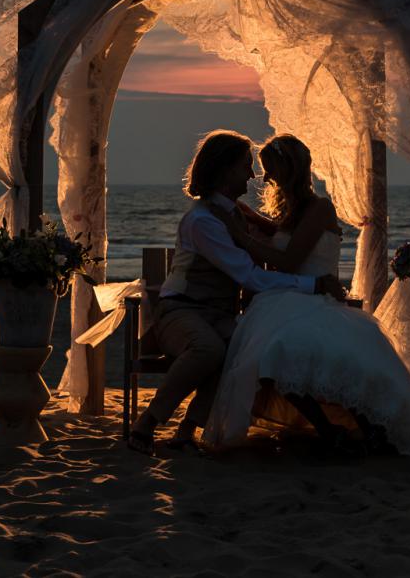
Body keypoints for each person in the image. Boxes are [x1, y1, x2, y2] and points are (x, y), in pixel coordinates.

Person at [201, 134, 410, 457]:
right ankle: (327, 428)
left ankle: (363, 425)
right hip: (290, 296)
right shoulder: (293, 210)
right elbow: (286, 236)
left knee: (286, 350)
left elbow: (289, 260)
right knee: (271, 354)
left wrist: (238, 235)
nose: (266, 178)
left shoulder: (320, 207)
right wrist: (253, 219)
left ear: (289, 170)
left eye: (271, 169)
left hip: (314, 298)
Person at [126, 130, 346, 456]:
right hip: (182, 311)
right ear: (225, 170)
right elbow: (249, 276)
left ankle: (186, 432)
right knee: (209, 349)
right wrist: (313, 285)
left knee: (242, 348)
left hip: (220, 314)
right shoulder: (203, 221)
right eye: (246, 166)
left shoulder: (235, 214)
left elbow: (281, 240)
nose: (254, 175)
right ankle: (146, 424)